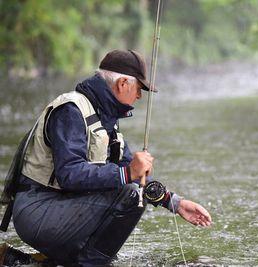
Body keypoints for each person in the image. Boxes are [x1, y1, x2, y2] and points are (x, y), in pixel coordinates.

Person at [0, 49, 212, 266]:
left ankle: (29, 262)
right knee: (131, 196)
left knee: (126, 202)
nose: (139, 96)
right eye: (139, 89)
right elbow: (70, 175)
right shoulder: (71, 110)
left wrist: (174, 203)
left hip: (61, 207)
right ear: (122, 84)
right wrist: (128, 172)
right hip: (37, 210)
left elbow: (134, 176)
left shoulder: (106, 119)